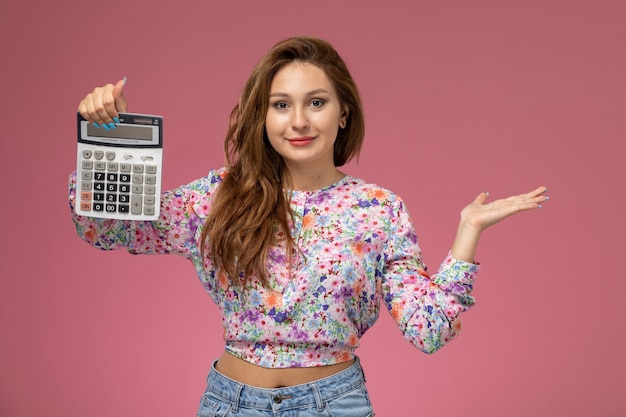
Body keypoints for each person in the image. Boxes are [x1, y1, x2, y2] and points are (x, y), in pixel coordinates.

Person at [70, 36, 548, 416]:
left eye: (315, 102)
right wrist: (104, 137)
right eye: (280, 105)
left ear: (343, 113)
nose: (298, 121)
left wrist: (468, 232)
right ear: (263, 116)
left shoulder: (377, 208)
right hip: (231, 405)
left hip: (334, 405)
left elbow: (429, 331)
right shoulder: (220, 194)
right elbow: (108, 228)